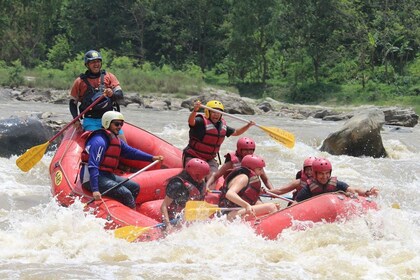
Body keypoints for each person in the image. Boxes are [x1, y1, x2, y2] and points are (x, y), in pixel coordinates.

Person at [80, 111, 164, 209]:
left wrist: (152, 158)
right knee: (125, 193)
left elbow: (131, 152)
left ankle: (127, 209)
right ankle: (131, 214)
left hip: (106, 175)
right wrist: (95, 189)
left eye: (121, 124)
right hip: (91, 178)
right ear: (107, 123)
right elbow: (93, 165)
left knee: (134, 187)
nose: (119, 127)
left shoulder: (114, 139)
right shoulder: (99, 141)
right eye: (116, 124)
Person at [183, 100, 254, 179]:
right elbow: (191, 122)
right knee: (195, 177)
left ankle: (209, 190)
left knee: (213, 178)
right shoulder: (201, 121)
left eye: (218, 112)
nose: (216, 114)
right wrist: (195, 110)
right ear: (208, 112)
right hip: (193, 156)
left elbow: (236, 132)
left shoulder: (222, 126)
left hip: (209, 159)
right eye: (213, 112)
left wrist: (248, 125)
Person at [69, 50, 126, 141]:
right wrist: (76, 120)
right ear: (87, 65)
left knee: (123, 143)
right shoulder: (79, 81)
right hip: (91, 120)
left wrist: (112, 94)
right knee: (98, 142)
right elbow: (73, 103)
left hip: (110, 119)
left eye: (98, 61)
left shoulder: (109, 76)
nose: (96, 64)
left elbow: (120, 96)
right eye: (93, 62)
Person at [218, 154, 279, 221]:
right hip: (228, 214)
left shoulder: (249, 178)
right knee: (271, 207)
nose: (262, 172)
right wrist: (246, 205)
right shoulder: (243, 177)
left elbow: (245, 194)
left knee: (270, 206)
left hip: (237, 211)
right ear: (251, 168)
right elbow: (229, 194)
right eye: (259, 169)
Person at [295, 158, 379, 202]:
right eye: (321, 173)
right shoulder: (308, 188)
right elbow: (296, 204)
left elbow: (353, 189)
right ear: (315, 174)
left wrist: (368, 192)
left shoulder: (336, 184)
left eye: (327, 173)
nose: (324, 176)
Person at [205, 137, 274, 191]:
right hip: (234, 189)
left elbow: (265, 179)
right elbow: (215, 176)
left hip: (249, 190)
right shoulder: (232, 162)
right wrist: (207, 186)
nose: (249, 152)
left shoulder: (255, 162)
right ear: (239, 149)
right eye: (246, 150)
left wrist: (272, 190)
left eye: (251, 150)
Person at [160, 158, 210, 229]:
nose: (204, 178)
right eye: (203, 176)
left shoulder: (200, 183)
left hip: (189, 217)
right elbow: (163, 206)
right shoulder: (177, 184)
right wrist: (168, 225)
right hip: (174, 218)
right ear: (196, 175)